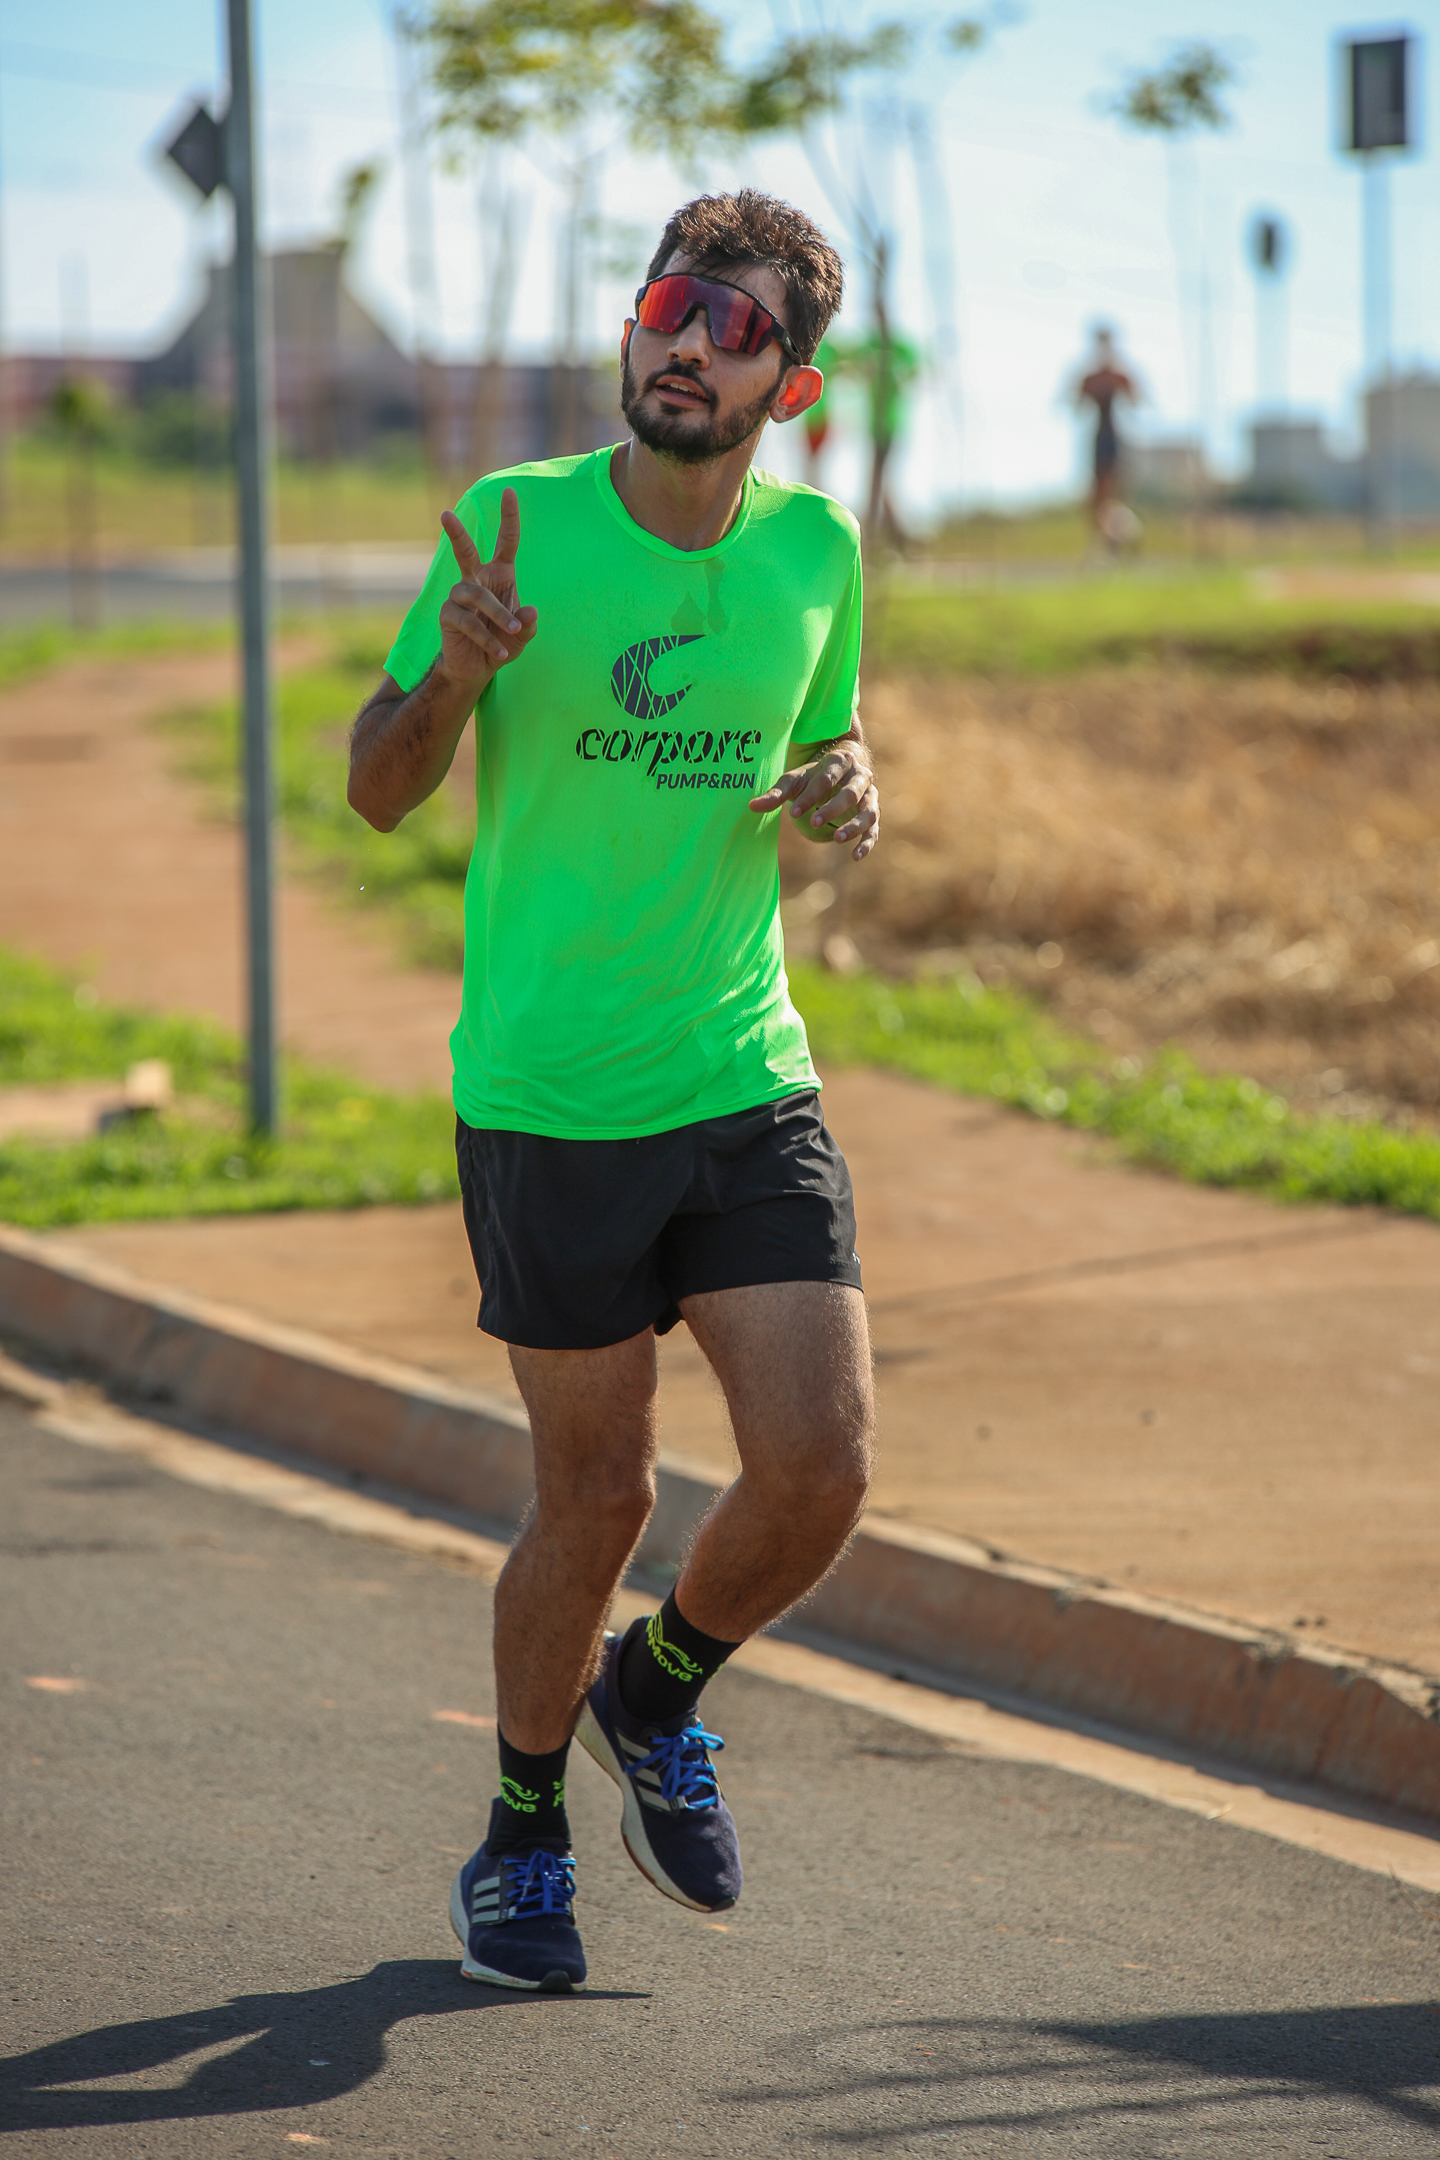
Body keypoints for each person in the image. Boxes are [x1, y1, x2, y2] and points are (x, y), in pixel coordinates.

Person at [348, 189, 881, 1994]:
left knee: (820, 1470)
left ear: (789, 389)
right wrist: (456, 677)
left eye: (734, 329)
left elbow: (824, 742)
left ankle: (652, 1697)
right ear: (631, 327)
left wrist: (848, 787)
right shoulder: (514, 525)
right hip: (551, 1095)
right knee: (597, 1501)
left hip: (741, 1071)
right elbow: (376, 789)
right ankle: (519, 1832)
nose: (685, 345)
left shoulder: (820, 554)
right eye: (669, 308)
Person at [1074, 324, 1139, 546]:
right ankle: (1104, 538)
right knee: (1098, 492)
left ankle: (1118, 536)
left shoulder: (1117, 374)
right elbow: (1078, 405)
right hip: (1099, 436)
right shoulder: (1091, 376)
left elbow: (1134, 399)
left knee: (1115, 489)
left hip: (1113, 436)